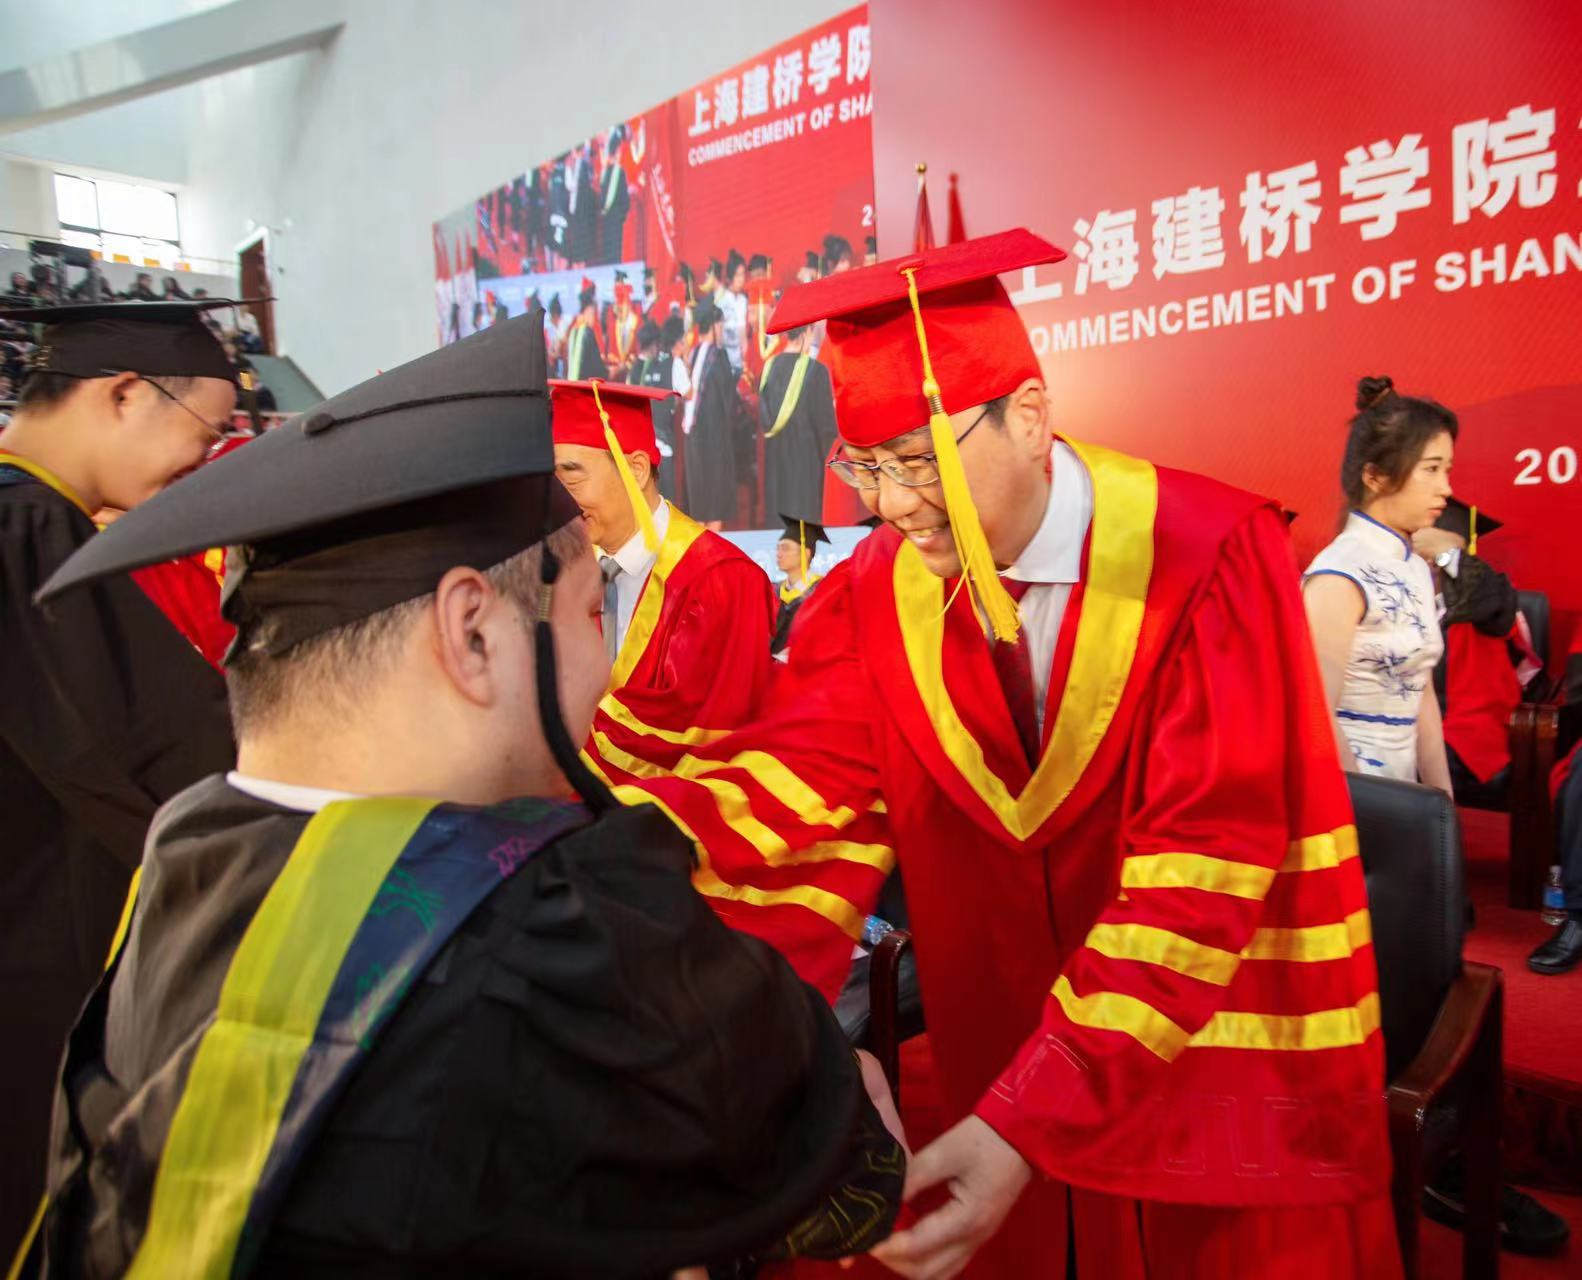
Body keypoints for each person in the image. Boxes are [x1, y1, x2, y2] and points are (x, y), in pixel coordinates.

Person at [24, 313, 904, 1279]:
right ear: (472, 632)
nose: (604, 673)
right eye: (588, 616)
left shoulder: (178, 861)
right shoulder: (562, 938)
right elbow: (850, 1179)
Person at [614, 230, 1398, 1278]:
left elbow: (1206, 862)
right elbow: (793, 794)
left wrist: (1044, 1103)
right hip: (996, 1061)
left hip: (1200, 1060)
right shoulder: (876, 591)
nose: (890, 504)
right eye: (866, 467)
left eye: (918, 462)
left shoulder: (1208, 555)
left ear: (1028, 415)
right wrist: (620, 915)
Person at [0, 300, 237, 1263]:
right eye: (205, 433)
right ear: (128, 394)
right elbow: (151, 745)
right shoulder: (26, 530)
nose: (203, 460)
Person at [551, 377, 775, 785]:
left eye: (571, 478)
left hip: (672, 814)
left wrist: (548, 769)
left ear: (636, 469)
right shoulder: (565, 576)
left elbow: (700, 737)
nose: (558, 500)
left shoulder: (721, 581)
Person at [1303, 377, 1453, 791]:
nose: (1446, 488)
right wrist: (1369, 813)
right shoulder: (1339, 575)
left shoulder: (1415, 567)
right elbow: (1316, 713)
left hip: (1403, 792)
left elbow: (1421, 694)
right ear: (1375, 476)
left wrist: (1443, 802)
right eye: (1431, 469)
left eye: (1447, 470)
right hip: (1351, 791)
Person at [1417, 499, 1540, 807]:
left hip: (1469, 739)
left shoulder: (1484, 603)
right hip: (1413, 725)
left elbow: (1492, 597)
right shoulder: (1401, 600)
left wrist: (1448, 554)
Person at [760, 324, 838, 531]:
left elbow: (763, 417)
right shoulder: (815, 370)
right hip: (805, 463)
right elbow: (826, 427)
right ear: (807, 333)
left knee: (778, 527)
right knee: (802, 527)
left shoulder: (768, 368)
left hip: (775, 462)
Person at [682, 299, 741, 529]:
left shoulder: (693, 353)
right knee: (715, 501)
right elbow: (729, 400)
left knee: (700, 500)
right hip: (715, 439)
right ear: (715, 325)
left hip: (694, 437)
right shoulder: (719, 355)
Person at [771, 515, 827, 658]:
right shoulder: (774, 592)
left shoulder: (823, 590)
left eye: (785, 548)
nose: (779, 554)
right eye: (778, 548)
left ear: (806, 553)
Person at [598, 127, 630, 264]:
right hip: (616, 218)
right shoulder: (619, 172)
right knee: (615, 253)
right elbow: (625, 201)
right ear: (617, 150)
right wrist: (622, 214)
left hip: (606, 219)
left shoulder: (604, 172)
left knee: (608, 252)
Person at [566, 284, 608, 381]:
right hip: (584, 383)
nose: (594, 318)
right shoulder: (587, 333)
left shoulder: (574, 330)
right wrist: (608, 372)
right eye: (593, 313)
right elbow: (595, 367)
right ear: (589, 310)